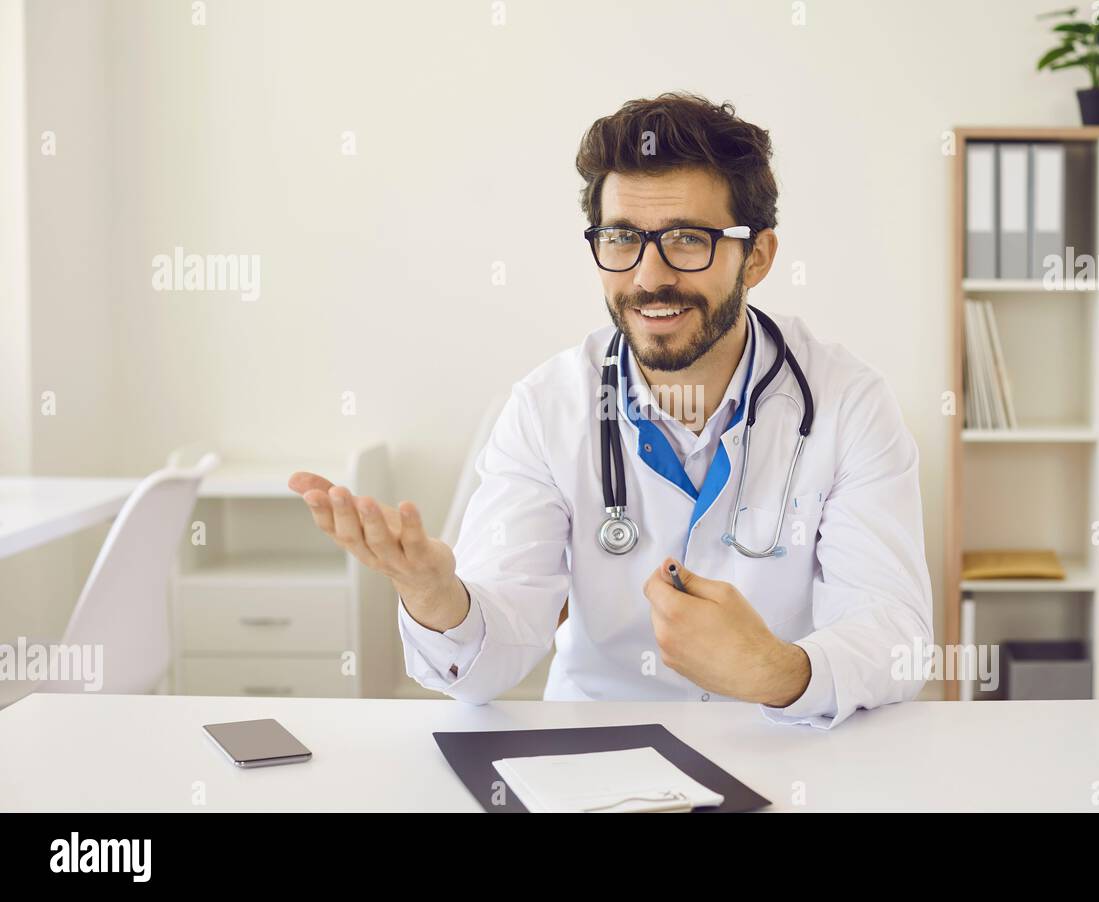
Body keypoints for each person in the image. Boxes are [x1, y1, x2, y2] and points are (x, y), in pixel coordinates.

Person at [290, 92, 932, 729]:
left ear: (756, 256)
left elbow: (895, 635)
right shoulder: (547, 408)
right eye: (623, 237)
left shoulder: (848, 404)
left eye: (687, 239)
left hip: (787, 746)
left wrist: (778, 670)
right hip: (597, 756)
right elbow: (490, 662)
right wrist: (435, 596)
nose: (649, 277)